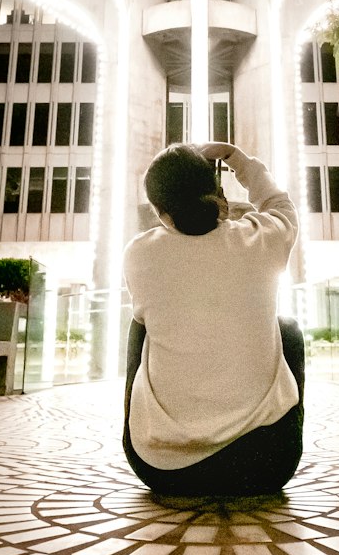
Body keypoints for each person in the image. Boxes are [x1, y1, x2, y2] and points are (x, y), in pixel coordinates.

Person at [121, 140, 305, 495]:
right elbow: (280, 204)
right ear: (219, 191)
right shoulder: (260, 237)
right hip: (266, 464)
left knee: (140, 326)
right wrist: (238, 160)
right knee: (288, 330)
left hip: (162, 469)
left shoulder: (140, 253)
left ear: (159, 210)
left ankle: (145, 424)